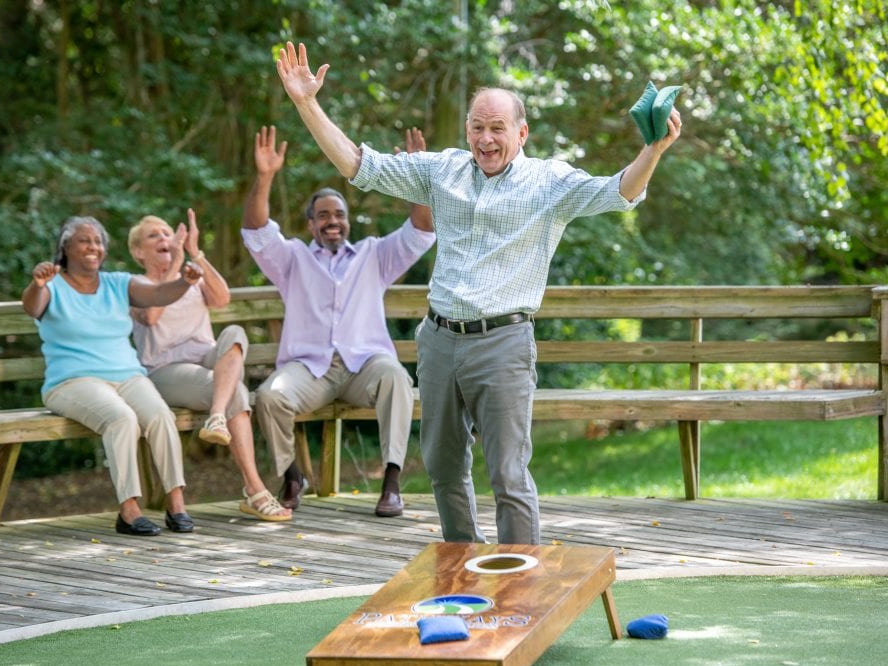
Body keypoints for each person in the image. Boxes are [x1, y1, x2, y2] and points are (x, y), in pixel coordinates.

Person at [275, 41, 682, 544]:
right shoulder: (441, 170)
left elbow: (619, 191)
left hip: (504, 343)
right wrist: (306, 103)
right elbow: (361, 166)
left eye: (497, 128)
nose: (486, 139)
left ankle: (520, 587)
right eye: (477, 127)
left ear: (522, 132)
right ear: (466, 130)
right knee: (443, 468)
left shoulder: (549, 182)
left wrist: (654, 148)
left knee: (509, 474)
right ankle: (465, 571)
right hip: (440, 340)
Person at [243, 125, 435, 517]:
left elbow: (421, 229)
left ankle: (392, 483)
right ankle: (292, 476)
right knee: (269, 395)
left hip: (363, 366)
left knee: (396, 376)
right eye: (323, 215)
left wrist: (417, 176)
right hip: (310, 370)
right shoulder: (292, 258)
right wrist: (265, 176)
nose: (333, 220)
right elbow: (256, 230)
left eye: (340, 214)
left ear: (348, 221)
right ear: (311, 224)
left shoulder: (374, 255)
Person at [22, 216, 204, 536]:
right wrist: (36, 285)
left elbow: (159, 294)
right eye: (84, 240)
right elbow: (33, 308)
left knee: (160, 416)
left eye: (98, 241)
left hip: (127, 376)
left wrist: (185, 281)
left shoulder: (118, 283)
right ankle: (130, 511)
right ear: (65, 247)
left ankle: (175, 504)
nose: (93, 247)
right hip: (73, 381)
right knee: (121, 419)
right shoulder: (51, 285)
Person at [127, 210, 291, 522]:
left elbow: (222, 299)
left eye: (167, 232)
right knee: (237, 394)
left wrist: (195, 254)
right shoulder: (137, 284)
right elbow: (150, 317)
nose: (165, 238)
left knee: (235, 334)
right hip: (165, 369)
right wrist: (176, 266)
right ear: (138, 251)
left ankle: (216, 417)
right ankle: (255, 491)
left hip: (206, 357)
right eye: (154, 236)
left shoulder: (192, 274)